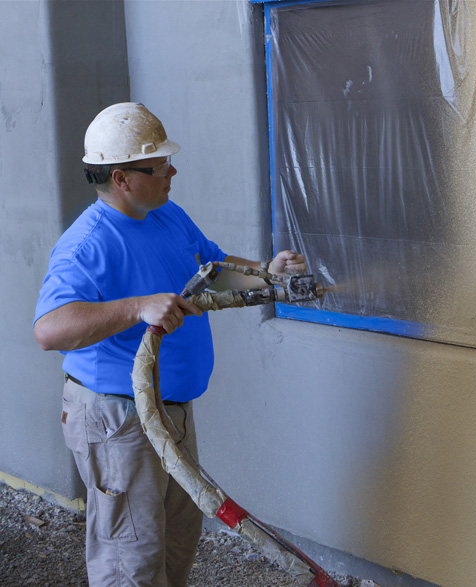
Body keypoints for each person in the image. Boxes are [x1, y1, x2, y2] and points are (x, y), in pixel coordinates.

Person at [33, 102, 305, 587]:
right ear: (121, 178)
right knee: (130, 561)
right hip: (117, 418)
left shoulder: (164, 215)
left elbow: (213, 272)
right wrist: (136, 307)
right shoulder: (87, 244)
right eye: (158, 167)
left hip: (168, 413)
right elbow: (50, 329)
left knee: (178, 543)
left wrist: (267, 272)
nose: (171, 171)